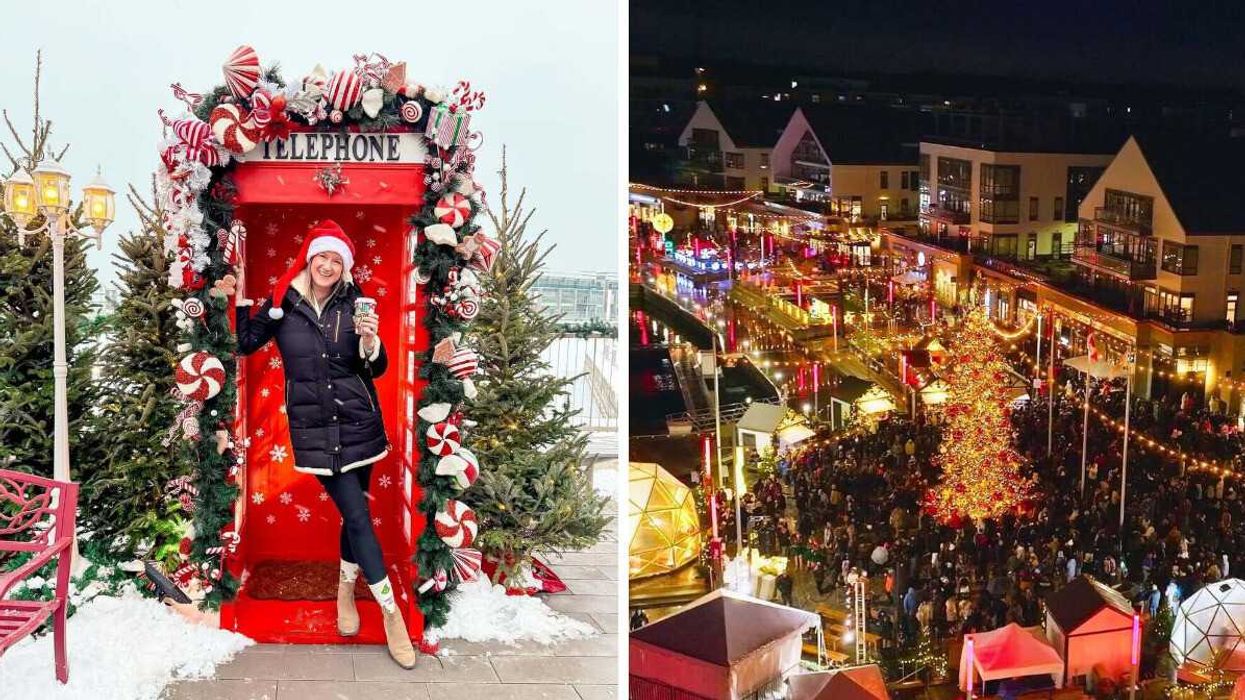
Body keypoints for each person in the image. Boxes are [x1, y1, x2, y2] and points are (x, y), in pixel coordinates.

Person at [236, 220, 416, 669]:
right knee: (356, 515)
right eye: (323, 257)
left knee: (355, 518)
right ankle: (392, 616)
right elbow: (244, 343)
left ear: (345, 266)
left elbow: (374, 370)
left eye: (338, 260)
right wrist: (236, 297)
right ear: (310, 258)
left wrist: (372, 342)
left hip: (361, 425)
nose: (329, 266)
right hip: (315, 429)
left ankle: (344, 593)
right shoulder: (283, 303)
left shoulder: (356, 305)